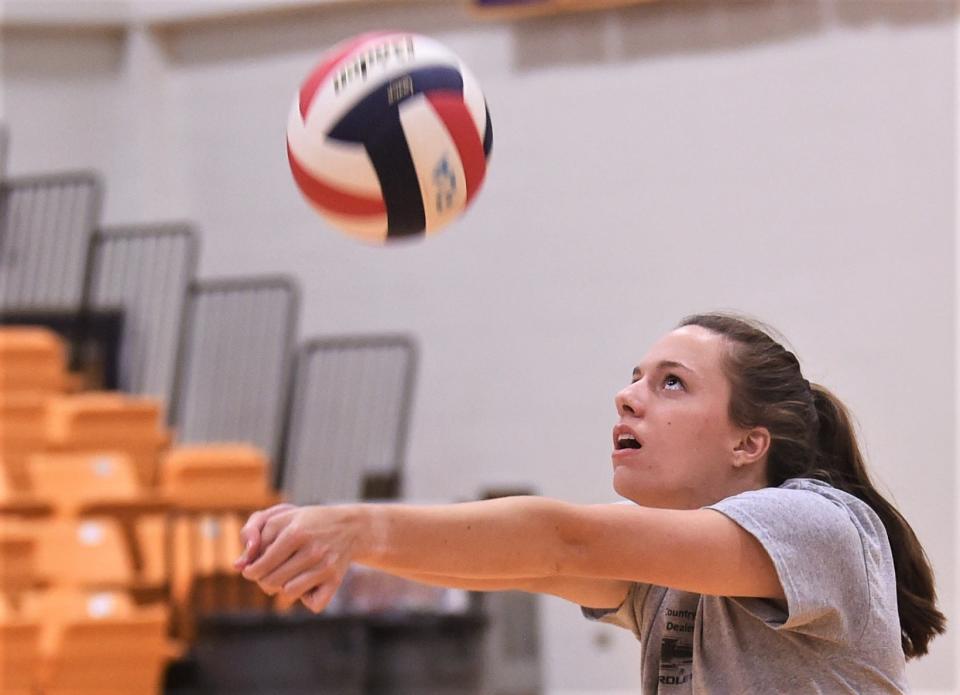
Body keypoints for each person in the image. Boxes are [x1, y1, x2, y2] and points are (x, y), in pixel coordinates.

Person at [235, 312, 945, 693]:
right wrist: (358, 547)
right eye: (635, 375)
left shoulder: (819, 524)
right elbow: (518, 562)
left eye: (672, 383)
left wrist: (355, 524)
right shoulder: (672, 574)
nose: (628, 393)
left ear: (747, 442)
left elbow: (561, 540)